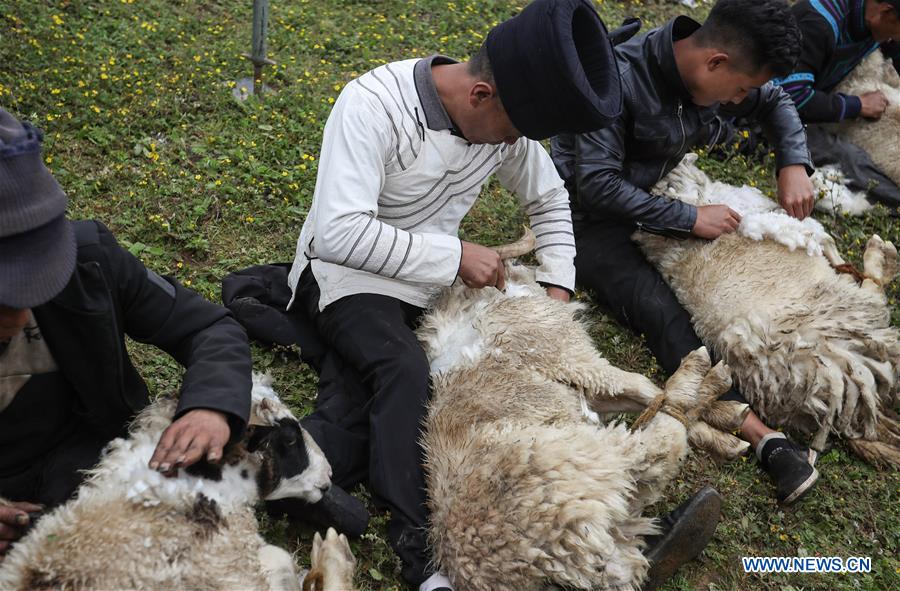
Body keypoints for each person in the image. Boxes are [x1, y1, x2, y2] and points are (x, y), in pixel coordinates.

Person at [276, 1, 716, 588]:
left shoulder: (505, 126)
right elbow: (338, 233)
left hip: (429, 283)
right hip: (345, 278)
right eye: (511, 133)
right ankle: (423, 559)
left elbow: (550, 200)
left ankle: (588, 518)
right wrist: (455, 255)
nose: (512, 146)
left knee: (471, 394)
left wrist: (557, 289)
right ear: (480, 95)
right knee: (402, 376)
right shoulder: (373, 105)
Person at [552, 0, 821, 507]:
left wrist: (794, 161)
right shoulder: (617, 81)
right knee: (661, 313)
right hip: (587, 222)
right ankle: (767, 438)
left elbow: (774, 99)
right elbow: (592, 183)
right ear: (714, 62)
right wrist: (688, 218)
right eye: (740, 90)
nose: (744, 98)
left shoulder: (711, 70)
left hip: (659, 190)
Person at [0, 108, 253, 557]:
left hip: (88, 459)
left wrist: (211, 406)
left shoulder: (90, 263)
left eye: (34, 284)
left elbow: (209, 326)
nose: (19, 317)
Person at [772, 0, 900, 206]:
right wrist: (857, 105)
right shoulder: (819, 24)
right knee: (856, 163)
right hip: (765, 113)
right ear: (886, 12)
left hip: (798, 103)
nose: (893, 39)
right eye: (896, 32)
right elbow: (791, 96)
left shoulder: (874, 18)